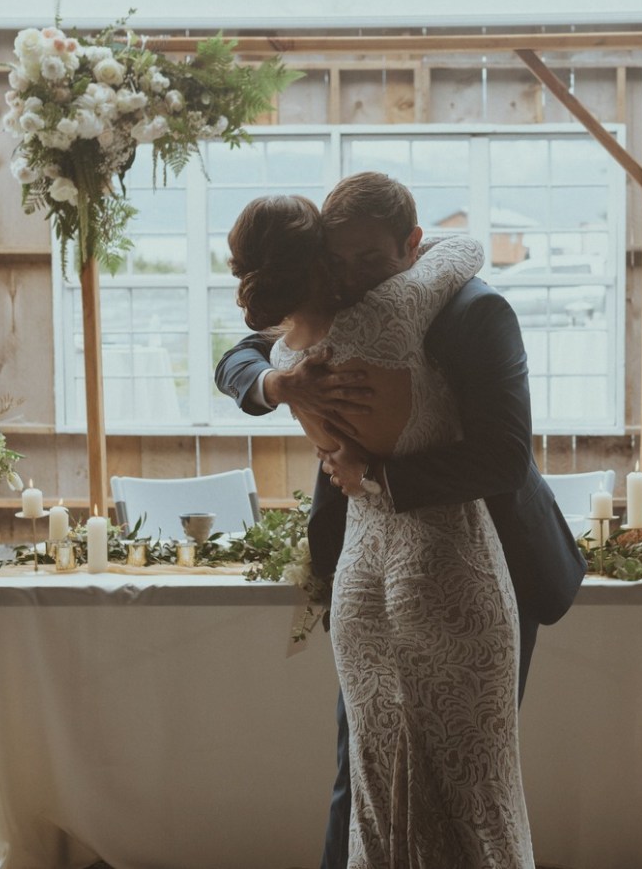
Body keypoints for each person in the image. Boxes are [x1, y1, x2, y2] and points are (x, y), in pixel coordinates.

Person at [215, 173, 586, 869]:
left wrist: (376, 477)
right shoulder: (321, 320)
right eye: (339, 261)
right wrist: (276, 383)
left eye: (370, 261)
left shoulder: (476, 313)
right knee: (359, 766)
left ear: (412, 245)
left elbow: (504, 455)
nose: (352, 280)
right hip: (366, 564)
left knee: (466, 769)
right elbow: (237, 355)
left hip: (489, 557)